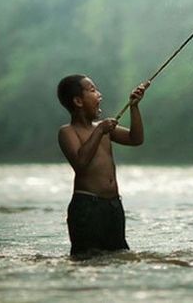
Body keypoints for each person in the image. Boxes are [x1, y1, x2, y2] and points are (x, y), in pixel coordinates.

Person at [56, 74, 149, 256]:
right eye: (92, 91)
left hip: (113, 207)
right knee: (87, 259)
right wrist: (99, 130)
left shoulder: (104, 130)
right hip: (87, 208)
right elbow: (81, 163)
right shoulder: (67, 132)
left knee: (119, 257)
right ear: (78, 101)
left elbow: (135, 139)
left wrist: (134, 107)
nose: (99, 95)